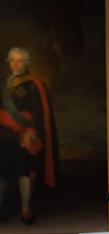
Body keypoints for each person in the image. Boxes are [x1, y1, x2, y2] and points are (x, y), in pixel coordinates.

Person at [0, 47, 58, 224]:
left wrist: (32, 131)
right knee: (2, 171)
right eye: (12, 60)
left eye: (20, 60)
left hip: (24, 136)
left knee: (25, 170)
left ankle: (25, 208)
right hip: (3, 135)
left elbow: (40, 113)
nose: (15, 64)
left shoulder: (34, 84)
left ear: (27, 63)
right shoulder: (2, 82)